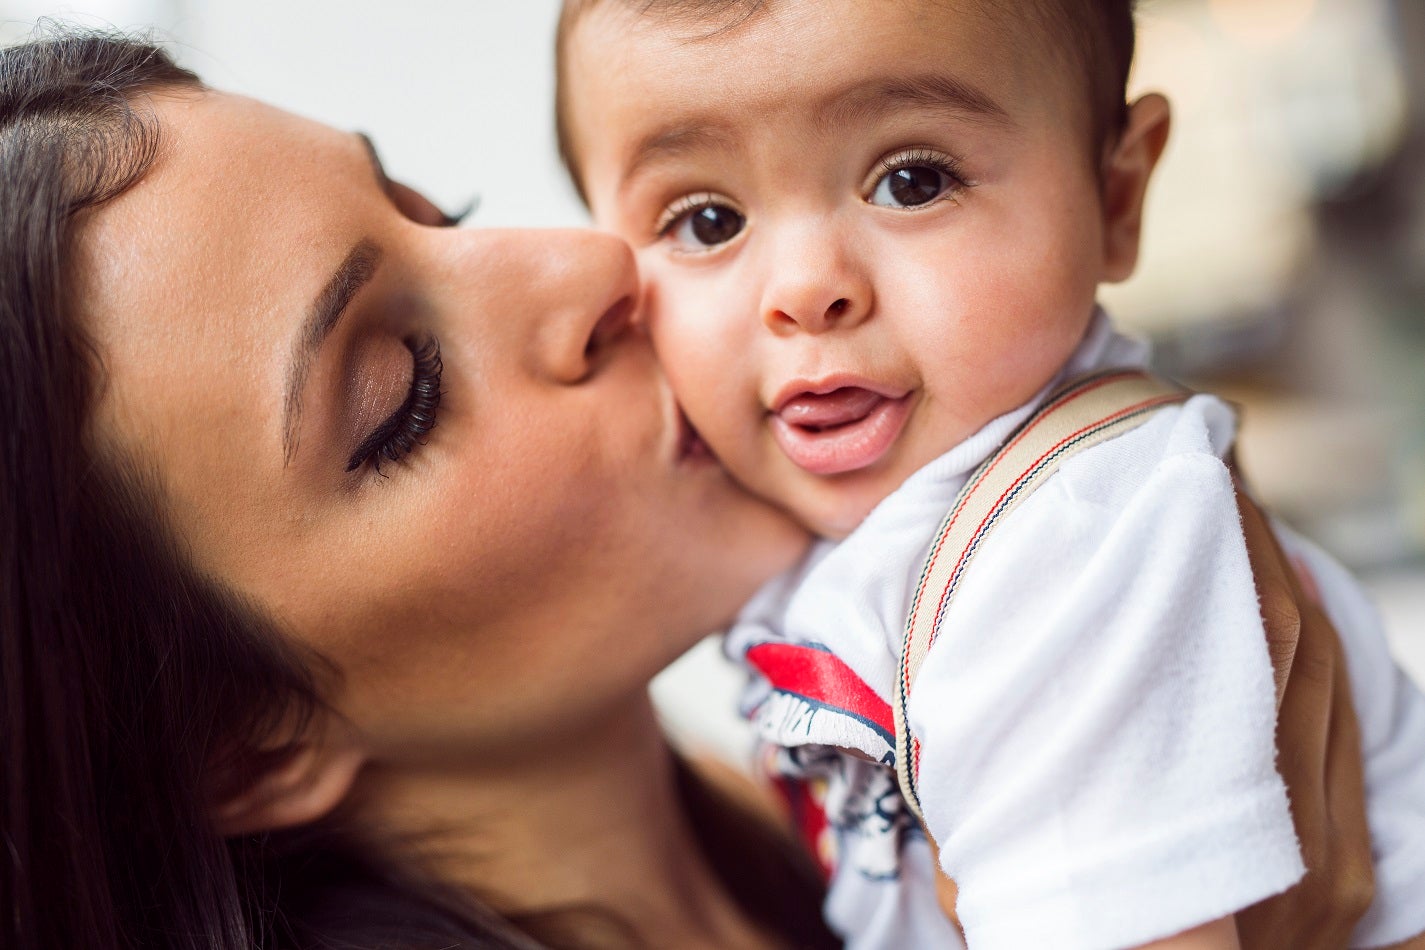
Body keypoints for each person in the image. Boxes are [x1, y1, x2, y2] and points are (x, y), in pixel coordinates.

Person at [0, 26, 1378, 950]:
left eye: (438, 213)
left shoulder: (857, 767)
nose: (593, 268)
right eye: (403, 395)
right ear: (250, 737)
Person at [552, 1, 1425, 948]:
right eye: (707, 219)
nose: (806, 288)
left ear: (1117, 197)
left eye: (912, 181)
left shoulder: (1070, 538)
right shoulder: (836, 533)